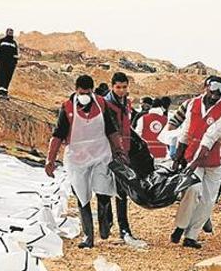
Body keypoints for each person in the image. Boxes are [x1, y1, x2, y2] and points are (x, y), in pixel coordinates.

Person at [45, 74, 126, 248]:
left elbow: (111, 129)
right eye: (82, 92)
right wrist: (50, 160)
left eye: (88, 92)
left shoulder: (101, 103)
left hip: (100, 154)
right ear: (76, 90)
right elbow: (58, 135)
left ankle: (105, 224)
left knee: (103, 189)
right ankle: (88, 236)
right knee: (82, 196)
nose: (85, 96)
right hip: (77, 157)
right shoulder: (67, 108)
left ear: (92, 91)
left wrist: (118, 150)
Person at [170, 76, 221, 248]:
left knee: (207, 199)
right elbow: (186, 130)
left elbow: (210, 137)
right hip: (192, 155)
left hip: (213, 161)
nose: (216, 94)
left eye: (220, 91)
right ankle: (180, 226)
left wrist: (194, 163)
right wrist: (177, 156)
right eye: (213, 89)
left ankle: (191, 235)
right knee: (192, 189)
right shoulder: (193, 104)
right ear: (205, 87)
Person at [100, 72, 138, 241]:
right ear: (112, 86)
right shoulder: (106, 104)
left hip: (124, 151)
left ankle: (124, 228)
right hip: (109, 151)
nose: (121, 90)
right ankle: (107, 221)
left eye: (124, 87)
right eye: (118, 87)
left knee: (122, 190)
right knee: (106, 188)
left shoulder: (126, 103)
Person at [136, 96, 170, 161]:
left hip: (146, 153)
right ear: (161, 108)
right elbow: (169, 137)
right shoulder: (166, 120)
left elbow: (137, 135)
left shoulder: (142, 118)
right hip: (162, 153)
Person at [0, 28, 18, 98]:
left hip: (10, 64)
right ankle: (0, 92)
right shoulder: (1, 41)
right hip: (2, 62)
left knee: (8, 77)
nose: (10, 33)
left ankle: (5, 92)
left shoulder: (14, 43)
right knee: (1, 76)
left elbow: (15, 53)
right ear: (6, 32)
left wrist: (14, 62)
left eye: (11, 32)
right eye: (9, 32)